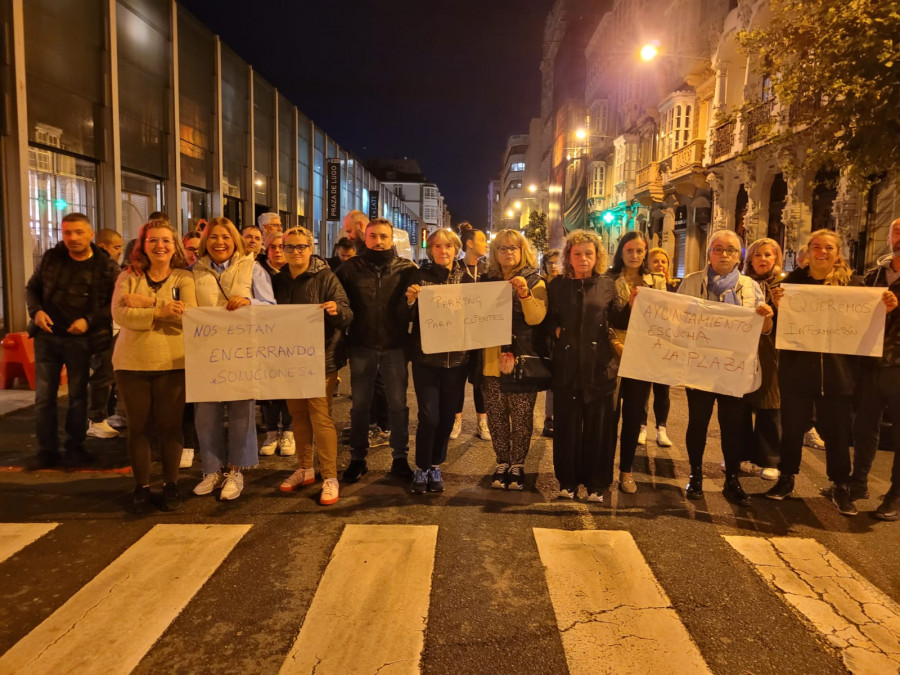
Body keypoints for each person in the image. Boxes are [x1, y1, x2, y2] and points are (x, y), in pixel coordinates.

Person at [768, 229, 896, 515]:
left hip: (839, 375)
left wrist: (883, 312)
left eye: (828, 248)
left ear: (838, 254)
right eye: (816, 247)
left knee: (838, 434)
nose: (821, 252)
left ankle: (841, 486)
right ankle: (786, 479)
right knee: (790, 430)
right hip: (797, 373)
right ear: (808, 251)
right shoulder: (790, 285)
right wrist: (777, 309)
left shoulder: (856, 286)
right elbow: (777, 331)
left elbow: (866, 327)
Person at [677, 229, 773, 506]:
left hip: (733, 368)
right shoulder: (693, 281)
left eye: (730, 250)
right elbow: (678, 319)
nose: (723, 254)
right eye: (718, 249)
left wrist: (766, 317)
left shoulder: (750, 286)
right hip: (701, 366)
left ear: (739, 256)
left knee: (733, 426)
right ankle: (695, 475)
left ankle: (732, 478)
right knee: (698, 422)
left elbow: (764, 330)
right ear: (709, 253)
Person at [112, 219, 196, 512]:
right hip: (131, 363)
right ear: (142, 245)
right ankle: (142, 486)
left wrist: (142, 303)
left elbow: (188, 315)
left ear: (174, 246)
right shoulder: (128, 276)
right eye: (153, 240)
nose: (160, 246)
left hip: (173, 362)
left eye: (166, 240)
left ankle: (171, 484)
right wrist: (160, 309)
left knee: (171, 426)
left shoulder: (184, 279)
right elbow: (120, 315)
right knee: (138, 427)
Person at [25, 213, 120, 469]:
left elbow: (112, 304)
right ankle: (46, 451)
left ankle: (75, 447)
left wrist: (88, 321)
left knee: (78, 395)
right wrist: (37, 311)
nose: (73, 238)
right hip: (47, 336)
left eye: (79, 232)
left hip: (81, 339)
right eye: (67, 232)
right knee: (44, 397)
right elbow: (32, 288)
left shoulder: (105, 266)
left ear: (91, 234)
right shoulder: (51, 258)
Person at [547, 230, 630, 501]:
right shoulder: (557, 285)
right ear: (569, 257)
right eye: (577, 254)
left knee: (599, 428)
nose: (583, 258)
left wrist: (633, 304)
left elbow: (619, 319)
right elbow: (547, 321)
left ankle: (597, 483)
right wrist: (559, 333)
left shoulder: (607, 284)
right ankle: (567, 481)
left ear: (597, 257)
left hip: (600, 368)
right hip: (567, 368)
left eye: (588, 254)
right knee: (567, 428)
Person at [273, 227, 352, 505]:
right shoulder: (277, 280)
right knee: (298, 416)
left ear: (311, 248)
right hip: (289, 359)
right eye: (290, 247)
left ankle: (330, 476)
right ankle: (305, 468)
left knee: (321, 417)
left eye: (302, 247)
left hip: (321, 359)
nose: (296, 252)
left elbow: (347, 314)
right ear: (282, 250)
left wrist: (335, 310)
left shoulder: (326, 277)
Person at [335, 217, 417, 482]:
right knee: (360, 407)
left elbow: (421, 306)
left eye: (383, 236)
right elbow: (338, 302)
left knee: (398, 406)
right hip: (361, 347)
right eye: (373, 236)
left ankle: (400, 458)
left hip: (395, 347)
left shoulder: (407, 269)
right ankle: (358, 459)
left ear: (392, 239)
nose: (378, 242)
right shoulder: (350, 269)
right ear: (365, 238)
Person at [191, 217, 264, 501]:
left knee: (241, 414)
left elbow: (270, 305)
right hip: (205, 353)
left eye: (225, 237)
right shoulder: (193, 271)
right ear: (205, 241)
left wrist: (249, 302)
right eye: (213, 237)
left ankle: (236, 470)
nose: (219, 242)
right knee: (206, 415)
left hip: (241, 351)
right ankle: (211, 469)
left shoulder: (252, 268)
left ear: (235, 240)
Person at [482, 229, 548, 491]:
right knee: (496, 417)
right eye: (502, 248)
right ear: (495, 253)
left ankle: (518, 464)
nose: (508, 253)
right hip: (490, 359)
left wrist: (523, 293)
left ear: (522, 251)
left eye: (514, 248)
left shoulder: (535, 281)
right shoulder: (486, 281)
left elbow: (536, 318)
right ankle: (502, 461)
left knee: (521, 416)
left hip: (521, 361)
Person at [405, 229, 469, 494]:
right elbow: (402, 316)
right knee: (429, 416)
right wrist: (409, 301)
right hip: (426, 359)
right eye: (437, 246)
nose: (443, 251)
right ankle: (421, 467)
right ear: (430, 250)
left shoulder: (468, 279)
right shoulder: (417, 277)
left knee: (446, 418)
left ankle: (435, 465)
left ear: (456, 249)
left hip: (458, 361)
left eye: (448, 246)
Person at [609, 231, 667, 494]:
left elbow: (663, 319)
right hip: (611, 356)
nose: (634, 255)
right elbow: (605, 319)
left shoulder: (656, 281)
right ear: (621, 251)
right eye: (629, 250)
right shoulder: (608, 280)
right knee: (609, 416)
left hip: (642, 356)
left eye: (640, 251)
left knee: (634, 415)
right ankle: (603, 469)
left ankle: (627, 471)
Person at [855, 217, 900, 521]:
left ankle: (896, 495)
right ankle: (857, 484)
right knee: (864, 427)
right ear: (888, 237)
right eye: (897, 231)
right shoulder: (873, 276)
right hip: (871, 365)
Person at [742, 238, 786, 483]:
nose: (762, 260)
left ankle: (770, 459)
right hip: (743, 350)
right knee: (741, 402)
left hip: (771, 351)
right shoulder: (743, 284)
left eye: (768, 255)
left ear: (776, 258)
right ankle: (741, 453)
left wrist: (779, 307)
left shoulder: (785, 286)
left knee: (770, 402)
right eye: (757, 255)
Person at [450, 222, 490, 441]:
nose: (485, 244)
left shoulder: (488, 270)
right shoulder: (455, 269)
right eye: (482, 240)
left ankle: (482, 421)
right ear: (469, 243)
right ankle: (456, 419)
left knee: (480, 380)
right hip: (457, 334)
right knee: (456, 379)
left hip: (481, 335)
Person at [86, 228, 126, 440]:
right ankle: (97, 419)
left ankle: (101, 417)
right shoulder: (105, 267)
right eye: (117, 247)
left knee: (106, 373)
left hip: (103, 328)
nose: (120, 251)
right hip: (102, 329)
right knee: (104, 374)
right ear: (103, 246)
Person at [257, 231, 294, 457]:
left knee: (289, 387)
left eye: (283, 247)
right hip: (265, 338)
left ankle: (288, 431)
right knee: (268, 390)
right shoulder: (257, 273)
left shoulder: (298, 274)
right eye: (273, 247)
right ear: (267, 250)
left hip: (292, 340)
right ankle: (271, 432)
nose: (278, 251)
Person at [641, 247, 679, 447]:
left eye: (663, 262)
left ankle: (661, 429)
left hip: (666, 346)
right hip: (645, 344)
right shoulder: (641, 285)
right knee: (643, 389)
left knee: (662, 390)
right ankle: (642, 427)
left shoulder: (675, 288)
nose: (659, 265)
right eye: (655, 261)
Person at [178, 229, 203, 469]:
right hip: (184, 343)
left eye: (198, 248)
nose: (194, 253)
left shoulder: (208, 274)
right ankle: (188, 445)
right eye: (190, 249)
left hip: (207, 344)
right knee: (186, 400)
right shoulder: (178, 275)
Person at [540, 248, 561, 438]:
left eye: (557, 261)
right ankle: (549, 417)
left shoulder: (567, 282)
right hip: (546, 336)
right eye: (550, 262)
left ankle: (559, 416)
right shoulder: (542, 283)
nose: (553, 266)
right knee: (551, 380)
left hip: (562, 336)